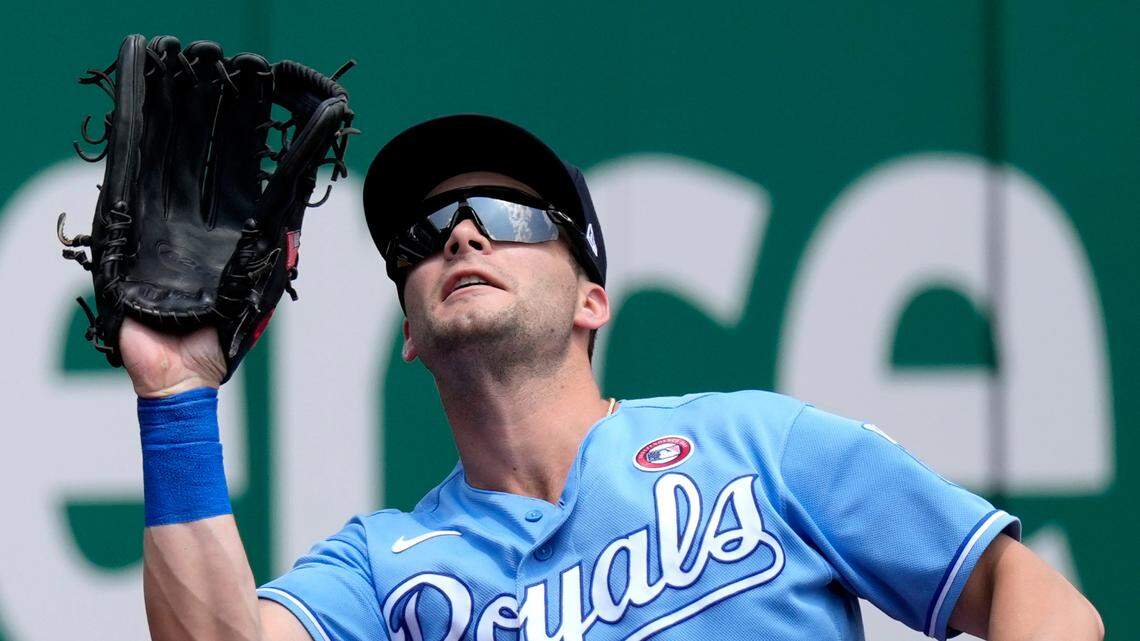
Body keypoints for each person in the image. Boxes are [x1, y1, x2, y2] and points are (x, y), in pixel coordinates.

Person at [124, 114, 1103, 641]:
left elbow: (1035, 596)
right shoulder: (383, 568)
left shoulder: (764, 447)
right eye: (423, 236)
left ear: (592, 297)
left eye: (508, 216)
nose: (462, 231)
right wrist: (176, 400)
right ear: (410, 333)